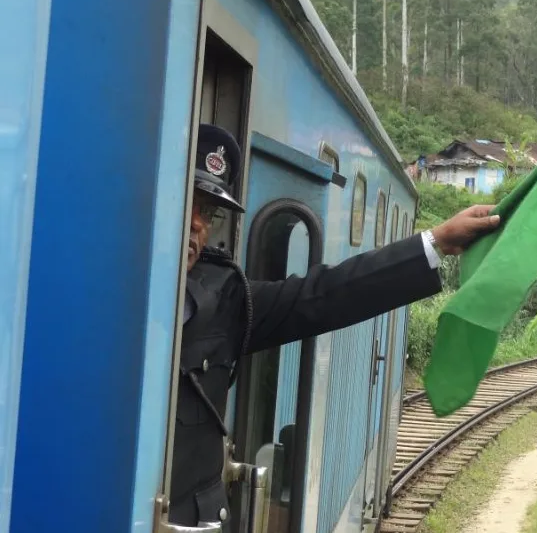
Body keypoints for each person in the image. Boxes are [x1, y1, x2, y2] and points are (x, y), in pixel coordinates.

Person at [169, 124, 500, 528]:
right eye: (190, 201)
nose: (198, 224)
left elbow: (325, 294)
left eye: (209, 212)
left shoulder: (225, 297)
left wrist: (436, 242)